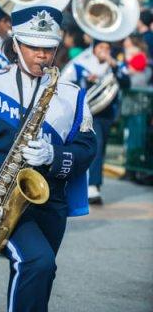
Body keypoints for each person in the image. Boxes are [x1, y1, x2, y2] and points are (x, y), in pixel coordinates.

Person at [0, 5, 96, 312]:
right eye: (33, 46)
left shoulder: (71, 95)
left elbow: (86, 151)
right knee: (37, 263)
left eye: (49, 48)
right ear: (15, 44)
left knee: (38, 271)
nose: (42, 55)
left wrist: (55, 155)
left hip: (51, 201)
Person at [61, 39, 130, 204]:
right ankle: (92, 186)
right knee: (96, 146)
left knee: (101, 147)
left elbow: (126, 82)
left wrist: (112, 64)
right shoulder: (79, 64)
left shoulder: (115, 65)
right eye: (101, 47)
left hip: (106, 113)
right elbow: (64, 83)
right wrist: (86, 82)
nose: (104, 50)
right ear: (94, 48)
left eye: (107, 47)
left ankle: (91, 185)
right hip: (88, 113)